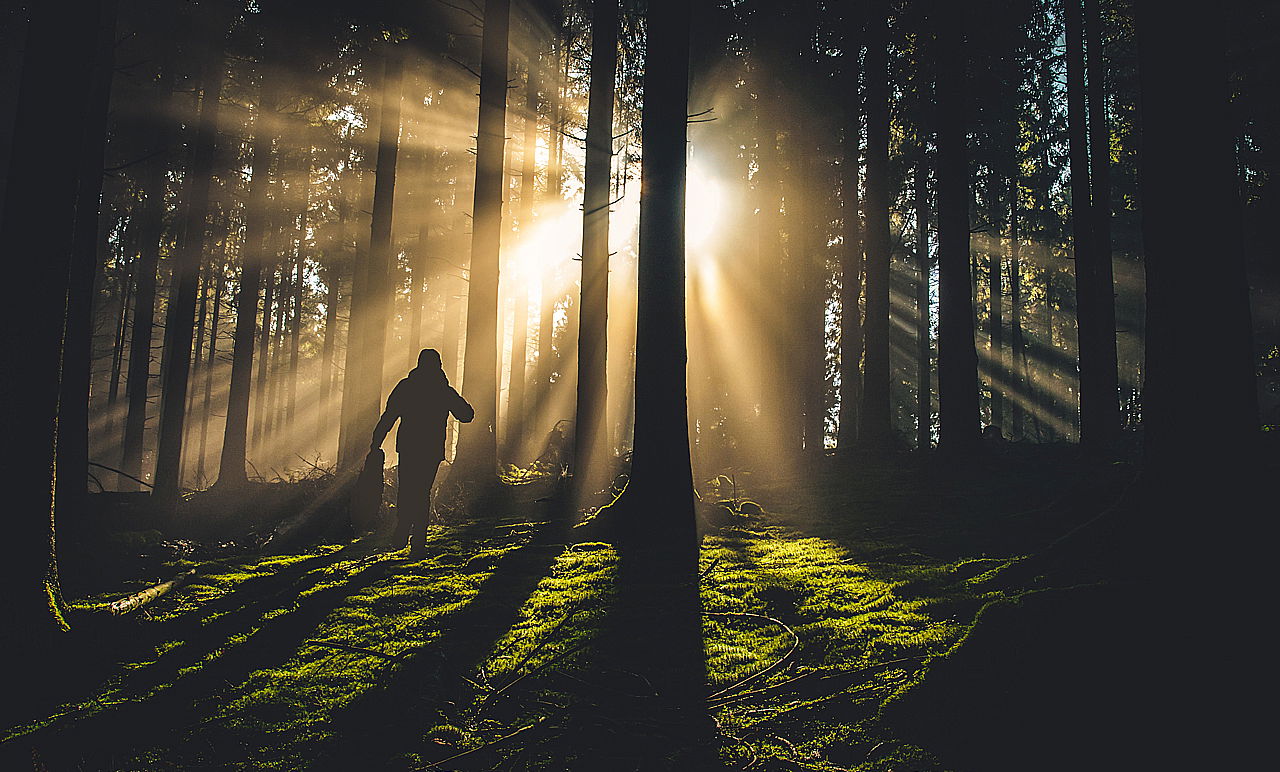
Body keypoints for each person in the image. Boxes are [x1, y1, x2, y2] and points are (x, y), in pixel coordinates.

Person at [371, 348, 473, 556]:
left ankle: (402, 529)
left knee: (407, 490)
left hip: (409, 447)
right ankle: (418, 540)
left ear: (419, 364)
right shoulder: (443, 390)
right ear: (439, 366)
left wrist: (376, 442)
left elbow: (389, 416)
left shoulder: (406, 387)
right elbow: (467, 415)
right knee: (422, 492)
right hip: (431, 450)